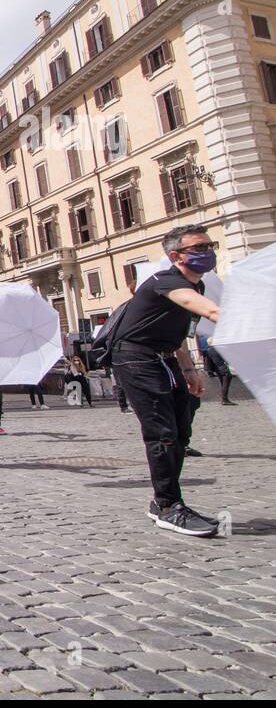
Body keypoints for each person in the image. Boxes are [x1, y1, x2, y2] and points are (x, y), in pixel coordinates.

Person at [111, 224, 222, 536]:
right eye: (198, 248)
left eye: (209, 245)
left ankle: (166, 502)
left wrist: (189, 369)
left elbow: (180, 334)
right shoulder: (166, 281)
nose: (207, 252)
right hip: (135, 356)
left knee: (182, 427)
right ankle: (167, 505)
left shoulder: (196, 285)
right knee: (162, 432)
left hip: (164, 357)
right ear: (176, 256)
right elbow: (199, 308)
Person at [199, 336, 236, 406]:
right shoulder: (216, 349)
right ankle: (224, 399)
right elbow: (224, 359)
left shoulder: (209, 349)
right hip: (222, 368)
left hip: (218, 369)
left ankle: (224, 399)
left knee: (223, 384)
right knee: (225, 384)